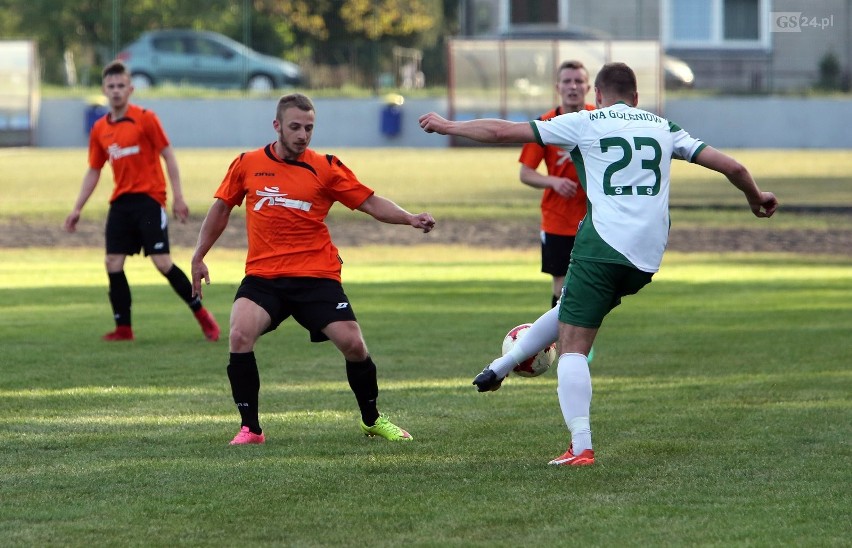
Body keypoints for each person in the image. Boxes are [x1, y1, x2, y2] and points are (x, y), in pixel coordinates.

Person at [419, 62, 778, 466]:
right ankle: (499, 367)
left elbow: (503, 131)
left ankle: (581, 446)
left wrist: (450, 126)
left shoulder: (584, 122)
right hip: (646, 257)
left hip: (602, 245)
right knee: (571, 309)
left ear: (599, 96)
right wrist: (755, 197)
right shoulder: (664, 127)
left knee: (572, 346)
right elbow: (734, 167)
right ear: (637, 98)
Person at [191, 93, 436, 445]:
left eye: (308, 128)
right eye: (295, 127)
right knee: (239, 335)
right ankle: (251, 429)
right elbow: (221, 209)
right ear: (277, 126)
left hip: (316, 276)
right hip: (264, 277)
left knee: (353, 344)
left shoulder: (326, 166)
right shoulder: (246, 164)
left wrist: (410, 218)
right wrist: (199, 255)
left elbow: (369, 202)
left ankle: (372, 419)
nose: (303, 134)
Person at [65, 60, 220, 343]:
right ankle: (124, 328)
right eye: (110, 86)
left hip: (149, 200)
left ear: (130, 89)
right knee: (112, 262)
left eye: (120, 86)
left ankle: (203, 316)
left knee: (162, 262)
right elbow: (94, 170)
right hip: (121, 203)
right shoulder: (100, 129)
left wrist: (179, 197)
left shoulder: (146, 118)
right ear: (104, 89)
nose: (115, 91)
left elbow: (168, 155)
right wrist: (77, 208)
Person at [519, 60, 594, 308]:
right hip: (558, 219)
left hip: (596, 219)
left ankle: (583, 346)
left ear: (589, 86)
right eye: (567, 81)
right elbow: (526, 173)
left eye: (579, 81)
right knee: (562, 286)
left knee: (593, 286)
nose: (573, 86)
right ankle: (562, 344)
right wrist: (553, 181)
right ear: (557, 87)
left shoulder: (600, 119)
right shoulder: (544, 124)